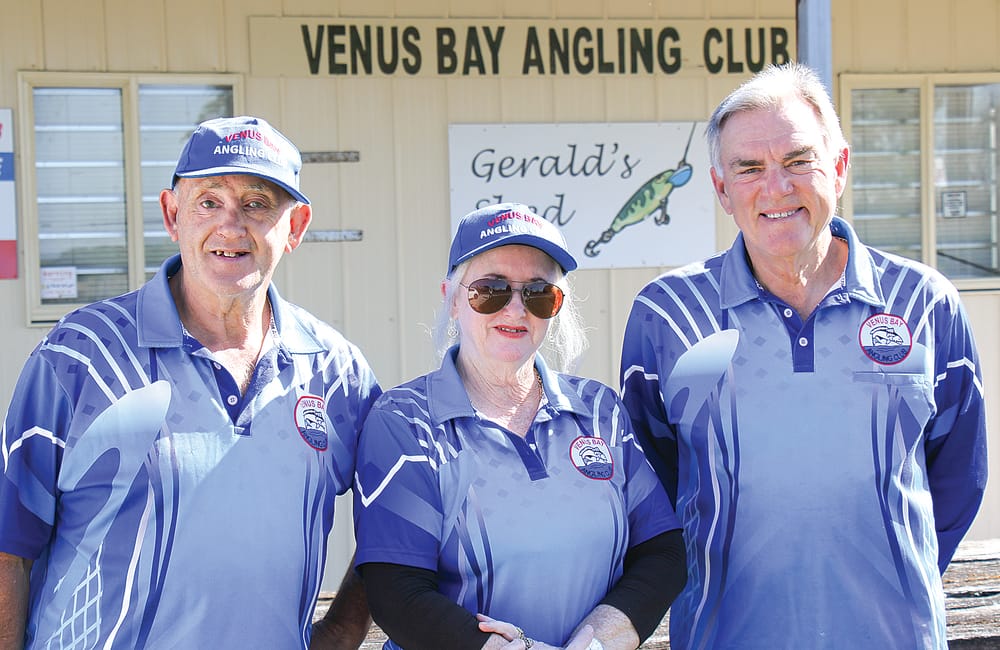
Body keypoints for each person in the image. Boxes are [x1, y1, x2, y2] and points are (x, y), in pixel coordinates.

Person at [620, 63, 989, 649]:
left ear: (838, 166)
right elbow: (652, 489)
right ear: (721, 189)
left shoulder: (925, 302)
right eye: (749, 168)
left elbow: (957, 475)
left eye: (797, 160)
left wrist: (889, 579)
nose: (776, 187)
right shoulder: (666, 316)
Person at [0, 116, 381, 649]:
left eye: (257, 204)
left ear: (294, 228)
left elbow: (396, 520)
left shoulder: (335, 369)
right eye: (208, 201)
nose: (230, 227)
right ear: (171, 213)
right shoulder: (80, 357)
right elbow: (8, 543)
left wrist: (341, 632)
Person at [352, 203, 687, 650]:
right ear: (452, 299)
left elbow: (663, 550)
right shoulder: (405, 421)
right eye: (490, 290)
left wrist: (600, 640)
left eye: (538, 293)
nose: (515, 309)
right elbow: (396, 591)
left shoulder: (599, 410)